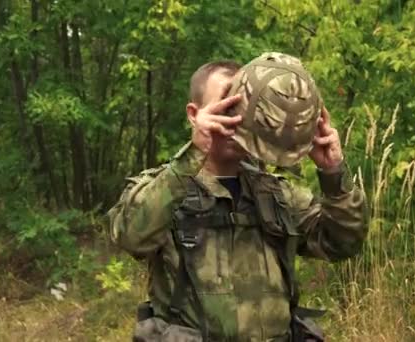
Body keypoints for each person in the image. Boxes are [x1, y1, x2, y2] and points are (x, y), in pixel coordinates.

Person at [108, 56, 366, 341]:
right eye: (227, 104)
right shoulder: (167, 187)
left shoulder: (276, 194)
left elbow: (343, 243)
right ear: (194, 114)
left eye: (243, 105)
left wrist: (332, 171)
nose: (237, 117)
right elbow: (130, 236)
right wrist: (191, 156)